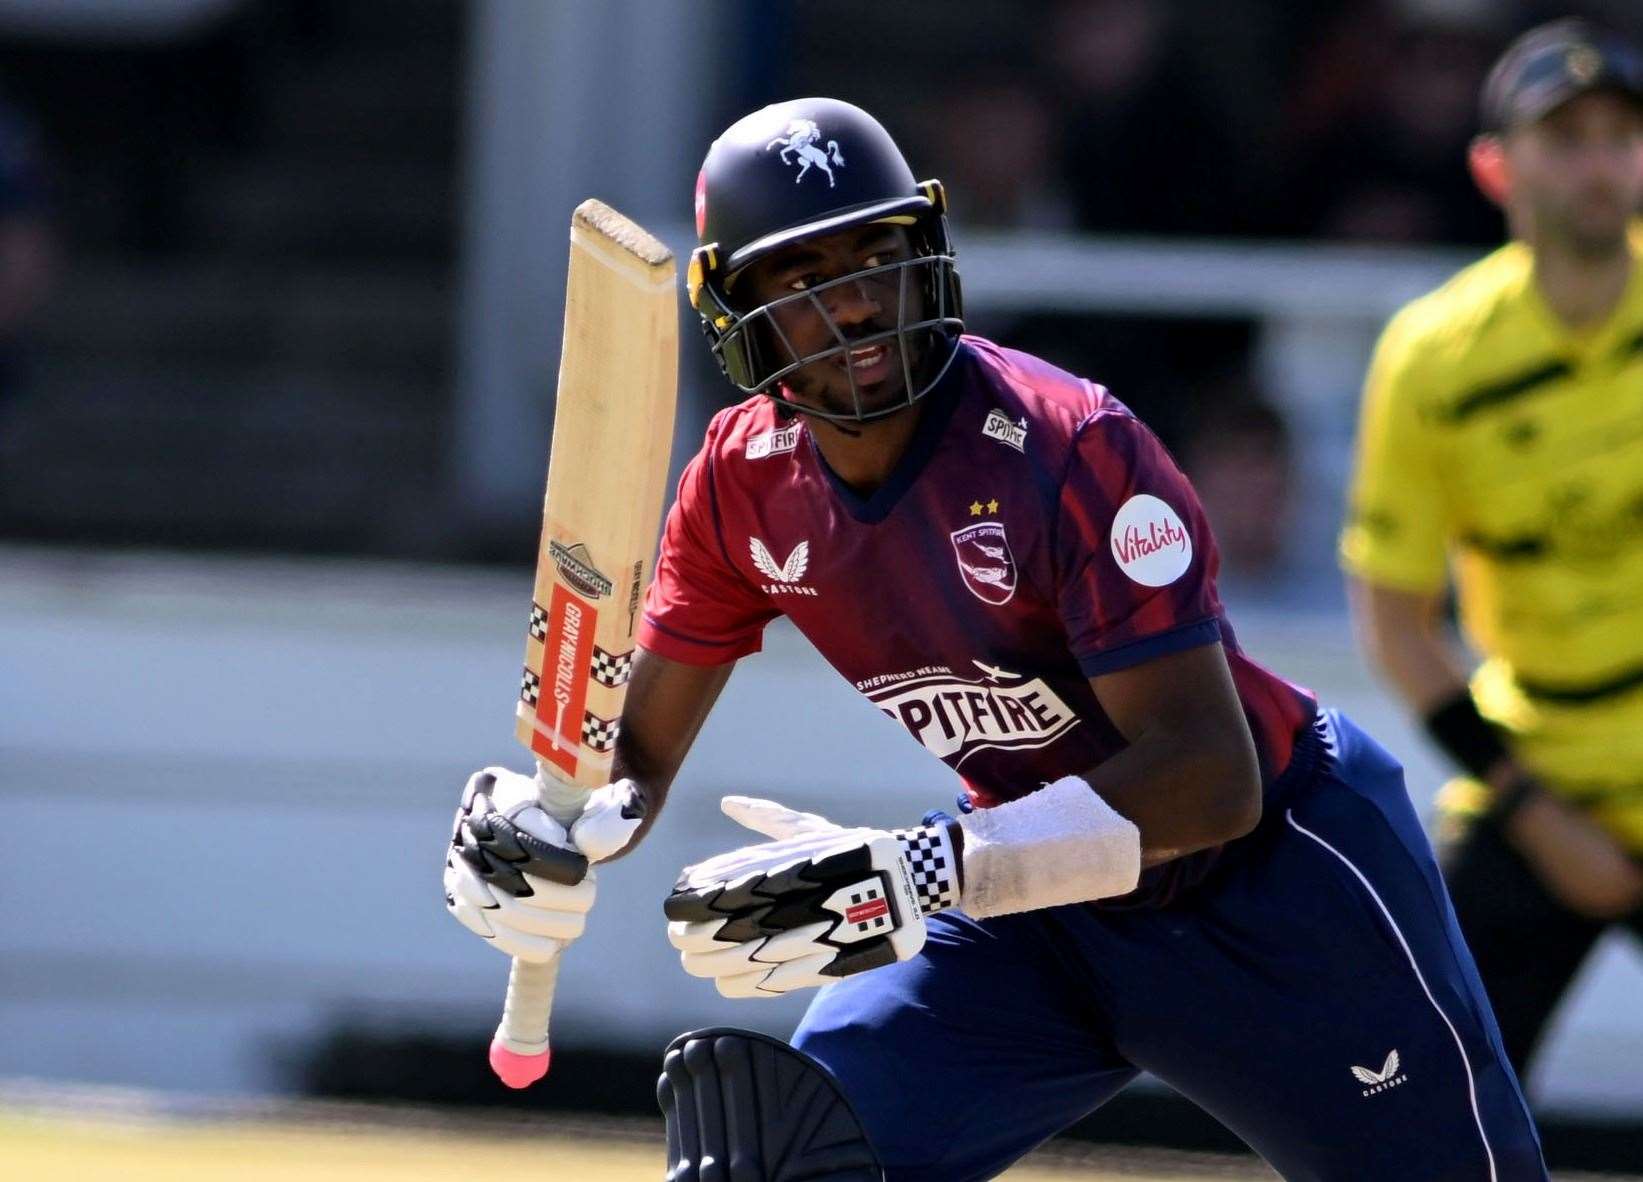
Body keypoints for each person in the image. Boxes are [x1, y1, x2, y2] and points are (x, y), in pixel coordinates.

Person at [445, 97, 1544, 1181]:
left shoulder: (1066, 447)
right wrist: (546, 830)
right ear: (742, 312)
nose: (857, 308)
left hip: (1268, 880)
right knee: (785, 1158)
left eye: (873, 259)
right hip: (1030, 907)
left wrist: (922, 872)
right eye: (804, 282)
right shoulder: (739, 483)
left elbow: (1211, 780)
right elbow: (628, 765)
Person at [1341, 17, 1643, 1088]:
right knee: (1413, 1091)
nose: (1598, 162)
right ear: (1492, 165)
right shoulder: (1432, 356)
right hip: (1536, 782)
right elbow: (1393, 624)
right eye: (1565, 138)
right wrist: (1536, 814)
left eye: (1619, 134)